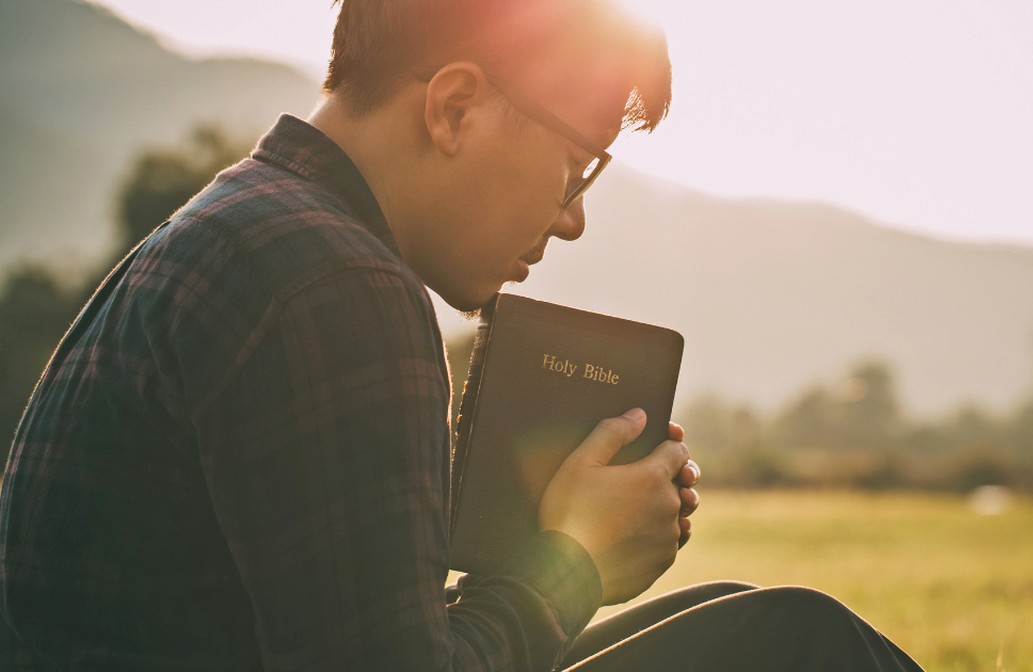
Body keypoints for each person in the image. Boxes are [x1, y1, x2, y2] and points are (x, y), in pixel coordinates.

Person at [0, 0, 923, 669]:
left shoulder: (248, 224)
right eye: (576, 166)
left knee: (739, 615)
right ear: (453, 106)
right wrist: (571, 561)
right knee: (796, 641)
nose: (572, 221)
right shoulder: (335, 281)